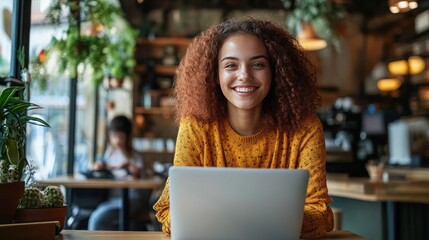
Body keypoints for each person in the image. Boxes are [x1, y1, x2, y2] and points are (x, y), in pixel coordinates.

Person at [153, 17, 334, 238]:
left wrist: (228, 221)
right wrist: (264, 221)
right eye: (231, 65)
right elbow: (170, 211)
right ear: (215, 76)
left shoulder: (304, 128)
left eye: (257, 64)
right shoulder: (196, 126)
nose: (244, 75)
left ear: (274, 71)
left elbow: (320, 213)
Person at [88, 115, 149, 230]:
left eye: (120, 136)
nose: (117, 140)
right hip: (113, 199)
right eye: (114, 136)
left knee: (97, 219)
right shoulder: (109, 154)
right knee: (97, 216)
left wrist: (133, 171)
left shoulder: (135, 156)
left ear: (127, 137)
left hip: (132, 199)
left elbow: (140, 177)